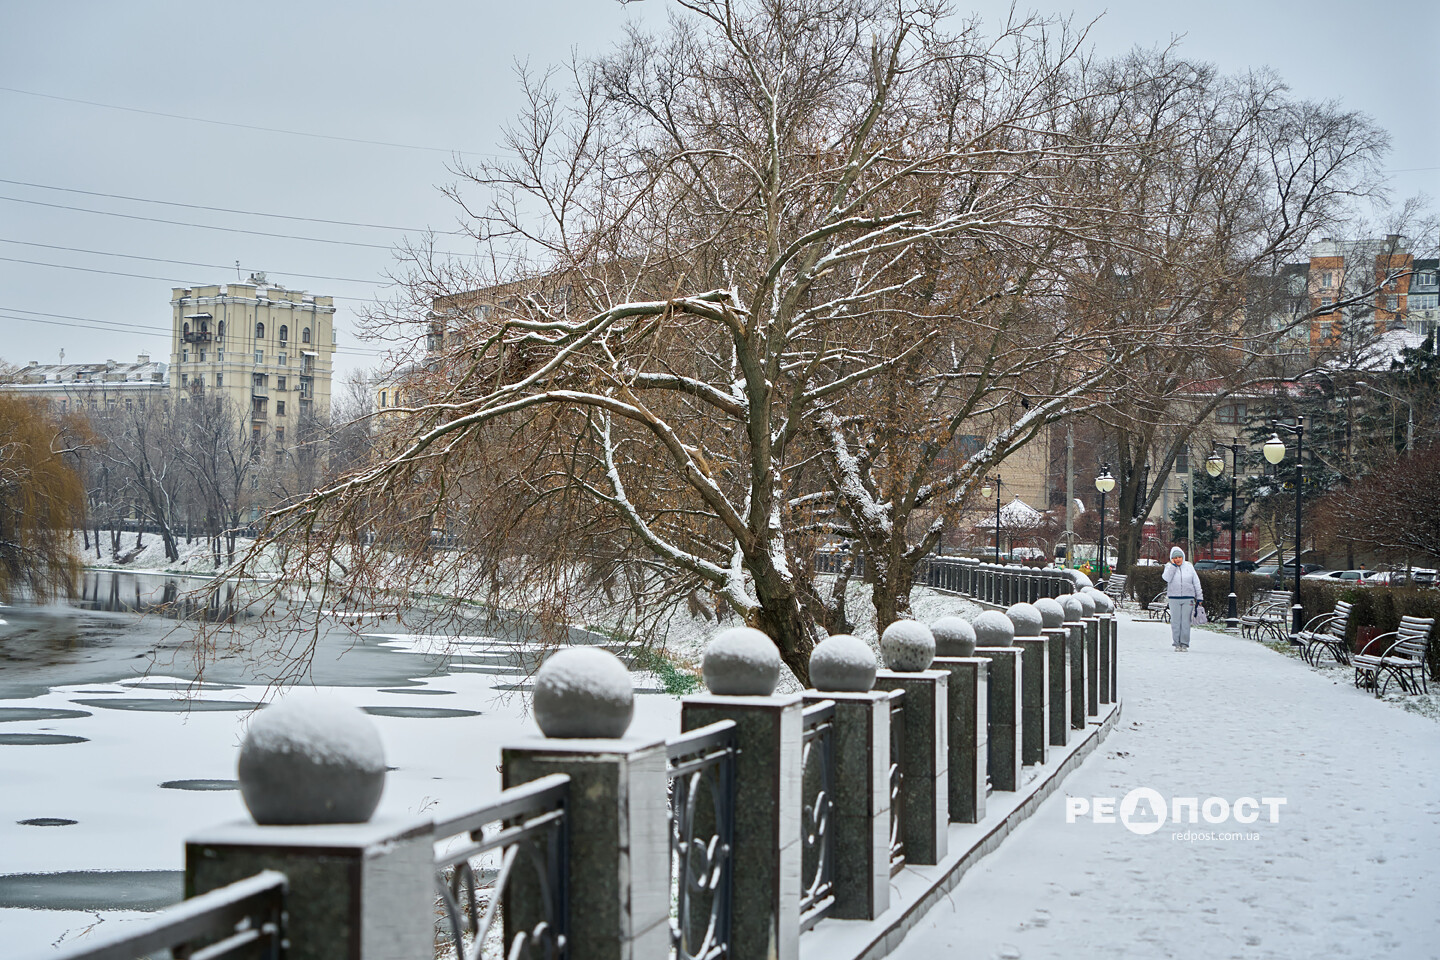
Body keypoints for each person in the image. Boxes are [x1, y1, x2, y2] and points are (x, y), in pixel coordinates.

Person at [1162, 546, 1203, 651]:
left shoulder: (1189, 566)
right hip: (1174, 598)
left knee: (1185, 622)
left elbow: (1196, 582)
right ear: (1172, 558)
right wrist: (1173, 566)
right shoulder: (1169, 566)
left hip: (1188, 598)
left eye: (1180, 557)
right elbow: (1166, 578)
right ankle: (1176, 643)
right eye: (1175, 557)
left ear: (1183, 557)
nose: (1178, 559)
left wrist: (1199, 598)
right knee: (1175, 622)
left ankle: (1184, 644)